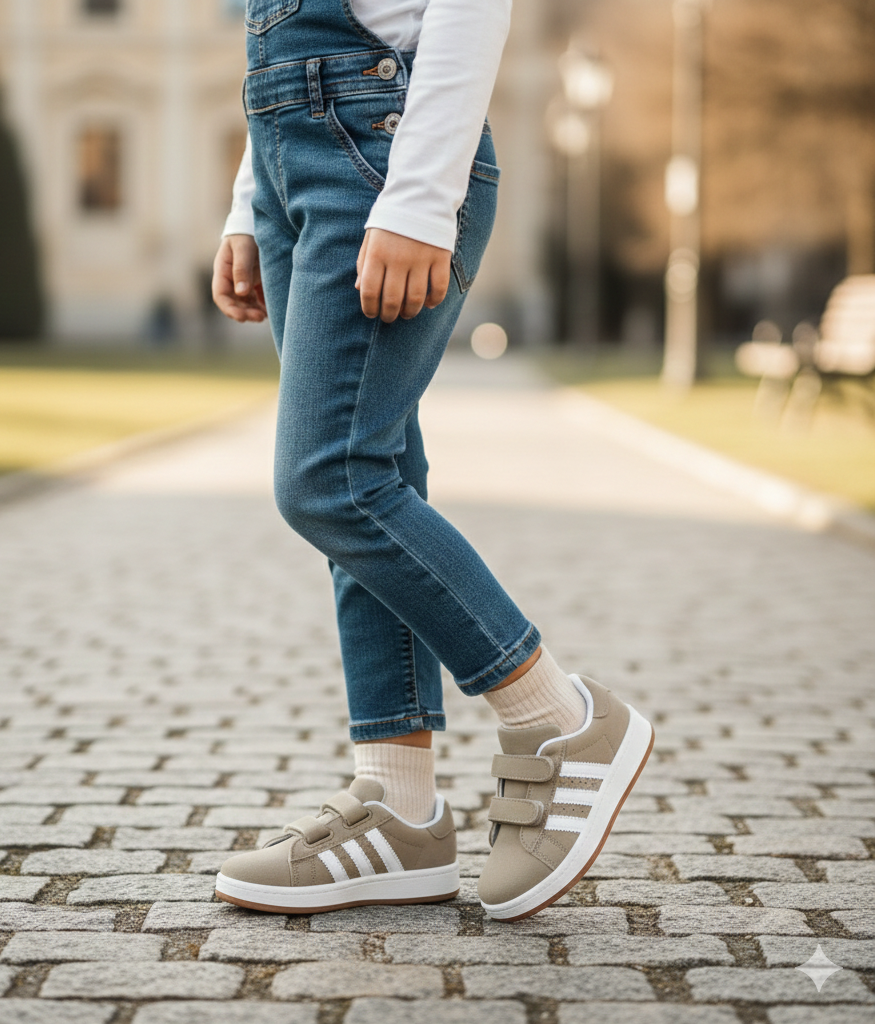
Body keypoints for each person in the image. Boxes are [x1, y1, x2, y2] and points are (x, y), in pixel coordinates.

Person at [210, 0, 654, 922]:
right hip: (291, 158)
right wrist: (248, 199)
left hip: (380, 151)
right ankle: (400, 808)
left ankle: (560, 719)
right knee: (372, 476)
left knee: (331, 481)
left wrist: (421, 196)